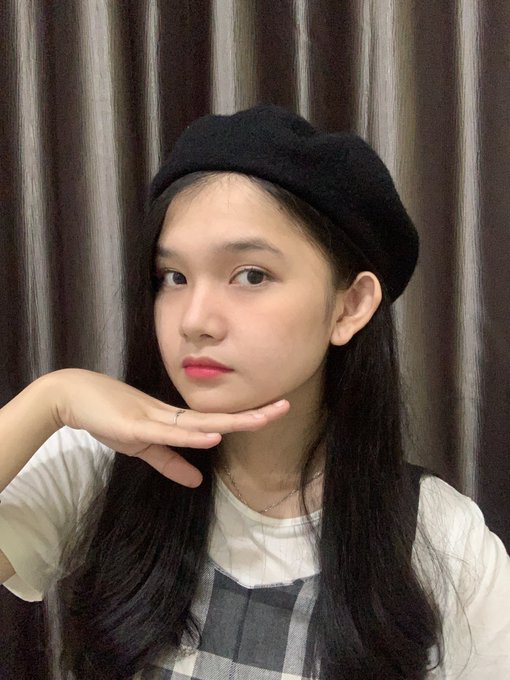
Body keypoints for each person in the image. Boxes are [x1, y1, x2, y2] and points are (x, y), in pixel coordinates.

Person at [0, 104, 508, 680]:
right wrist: (52, 399)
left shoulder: (439, 537)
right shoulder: (102, 468)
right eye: (173, 277)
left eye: (251, 275)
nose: (195, 320)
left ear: (349, 306)